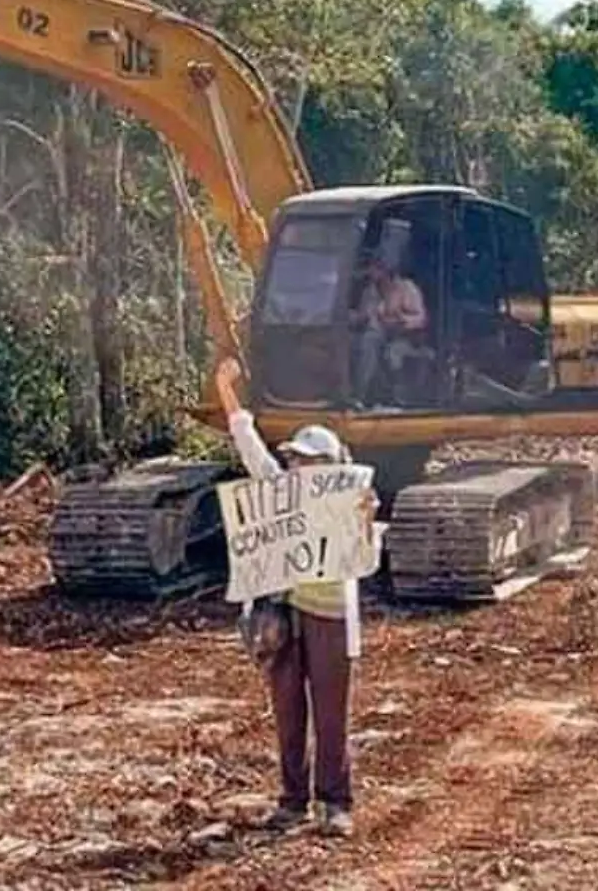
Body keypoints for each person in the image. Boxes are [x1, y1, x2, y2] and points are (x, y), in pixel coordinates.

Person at [217, 360, 369, 838]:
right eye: (296, 459)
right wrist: (225, 389)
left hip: (330, 615)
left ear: (331, 466)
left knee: (330, 715)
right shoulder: (279, 491)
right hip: (284, 615)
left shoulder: (353, 503)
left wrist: (364, 518)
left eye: (309, 460)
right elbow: (249, 445)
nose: (300, 467)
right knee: (287, 712)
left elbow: (367, 558)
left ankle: (335, 802)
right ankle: (293, 800)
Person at [351, 255, 428, 406]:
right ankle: (359, 395)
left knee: (388, 351)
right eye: (371, 269)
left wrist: (402, 321)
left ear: (387, 271)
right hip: (375, 336)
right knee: (361, 343)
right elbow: (364, 316)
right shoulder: (370, 292)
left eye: (376, 269)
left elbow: (421, 318)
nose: (371, 273)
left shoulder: (407, 288)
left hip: (404, 338)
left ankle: (396, 398)